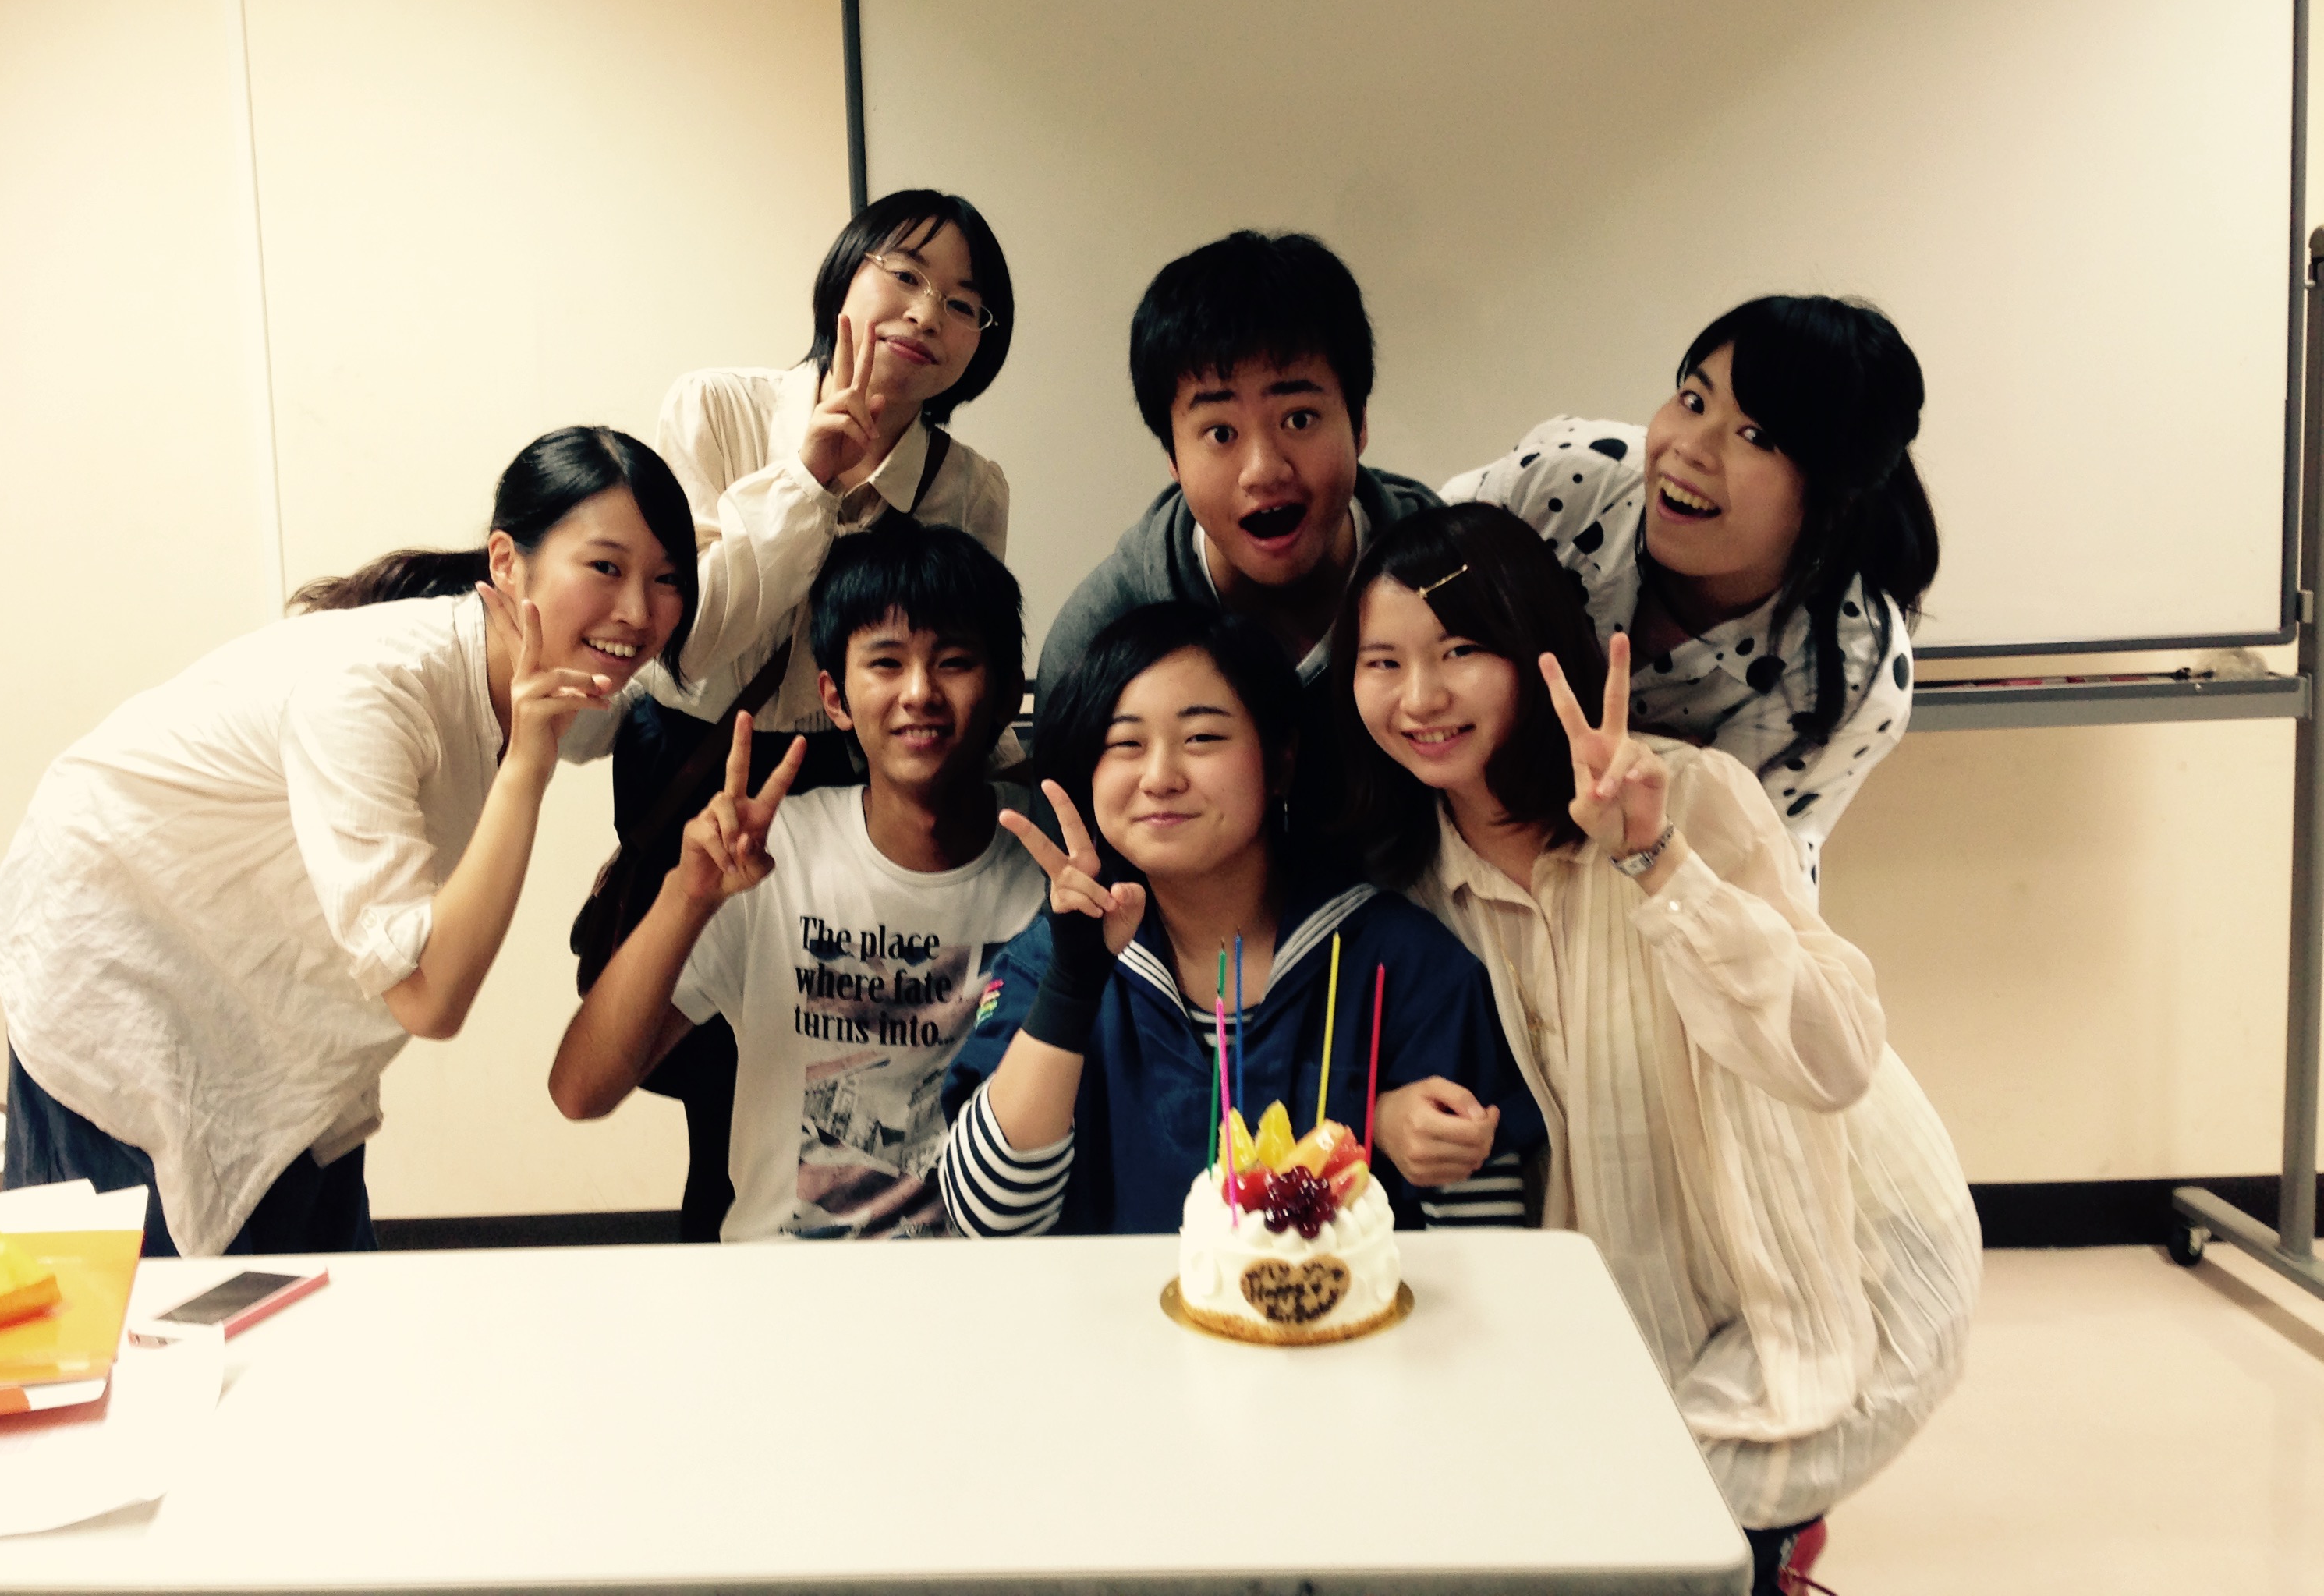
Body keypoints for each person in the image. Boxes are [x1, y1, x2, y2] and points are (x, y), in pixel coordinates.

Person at [1336, 502, 1979, 1595]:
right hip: (1624, 1313)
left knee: (1657, 1535)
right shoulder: (1402, 882)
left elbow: (1834, 1059)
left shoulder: (1681, 797)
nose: (1420, 697)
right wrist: (1386, 1119)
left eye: (1460, 651)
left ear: (1536, 654)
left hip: (1833, 1264)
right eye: (1382, 663)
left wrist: (1656, 863)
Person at [0, 426, 697, 1258]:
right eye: (605, 567)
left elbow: (688, 662)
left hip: (268, 1004)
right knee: (144, 1318)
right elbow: (430, 1000)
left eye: (667, 579)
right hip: (114, 961)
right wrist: (528, 767)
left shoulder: (536, 678)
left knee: (321, 1297)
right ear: (507, 563)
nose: (638, 612)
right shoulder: (372, 692)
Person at [579, 187, 1019, 1240]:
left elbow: (957, 664)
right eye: (905, 275)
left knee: (819, 1063)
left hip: (848, 765)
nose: (927, 314)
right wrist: (808, 480)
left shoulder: (969, 487)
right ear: (845, 274)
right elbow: (693, 638)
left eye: (964, 304)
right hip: (698, 756)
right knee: (705, 1073)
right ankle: (733, 1267)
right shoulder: (717, 411)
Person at [938, 600, 1540, 1237]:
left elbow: (1486, 1241)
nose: (1160, 777)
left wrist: (1383, 1130)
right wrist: (1071, 986)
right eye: (1125, 744)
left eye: (1202, 738)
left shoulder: (1402, 963)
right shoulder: (1052, 959)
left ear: (1280, 761)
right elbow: (989, 1217)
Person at [549, 521, 1045, 1240]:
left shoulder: (1055, 866)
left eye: (955, 662)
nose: (919, 692)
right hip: (784, 1281)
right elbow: (580, 1091)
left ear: (1003, 694)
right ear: (834, 697)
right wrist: (686, 898)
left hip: (993, 1282)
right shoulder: (774, 855)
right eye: (886, 662)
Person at [1443, 295, 1938, 892]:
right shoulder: (1567, 483)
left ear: (1832, 503)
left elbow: (1745, 875)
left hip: (1644, 900)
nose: (1690, 448)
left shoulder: (1849, 667)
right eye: (1694, 401)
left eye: (1755, 436)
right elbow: (1403, 587)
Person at [1037, 229, 1437, 702]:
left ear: (1359, 424)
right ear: (1172, 457)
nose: (1264, 471)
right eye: (1221, 434)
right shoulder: (1100, 638)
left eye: (1299, 419)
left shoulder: (1459, 583)